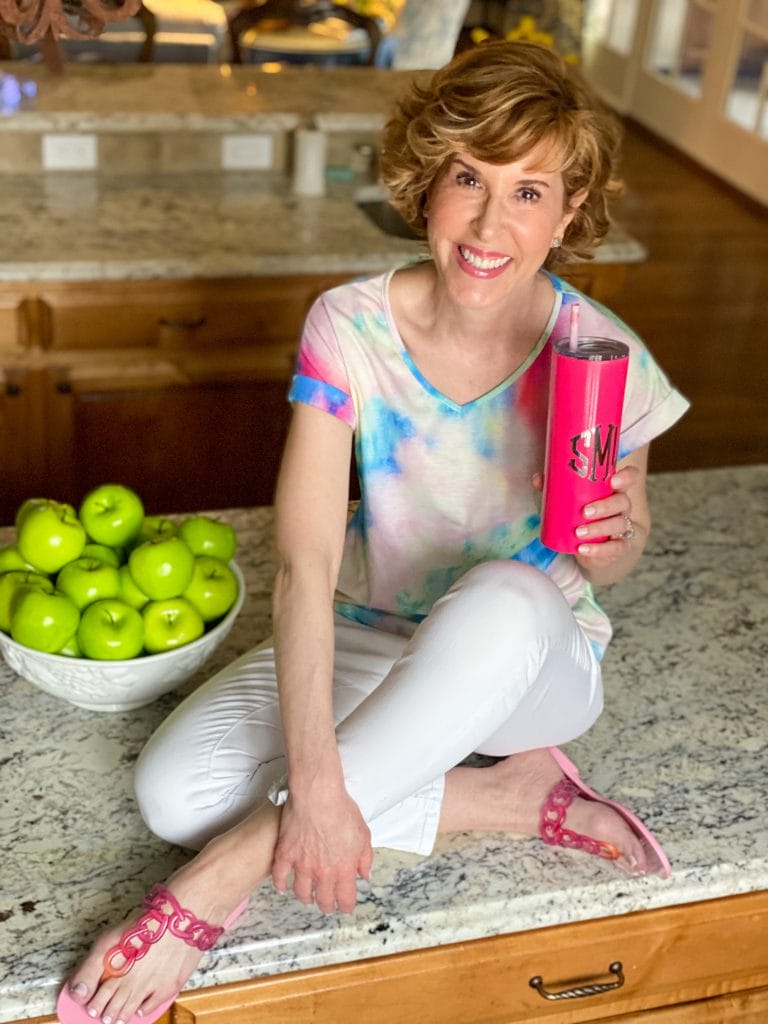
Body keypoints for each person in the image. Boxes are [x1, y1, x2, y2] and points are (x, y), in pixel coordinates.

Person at [58, 40, 689, 1024]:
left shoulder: (603, 355)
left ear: (569, 215)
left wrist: (616, 536)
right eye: (468, 179)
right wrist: (310, 786)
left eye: (530, 193)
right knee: (173, 792)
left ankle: (219, 880)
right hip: (370, 627)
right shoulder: (347, 328)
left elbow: (621, 546)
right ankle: (509, 799)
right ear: (425, 182)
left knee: (505, 596)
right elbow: (305, 562)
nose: (488, 222)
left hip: (529, 663)